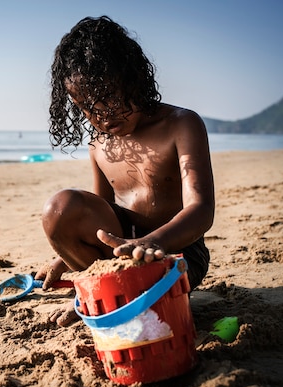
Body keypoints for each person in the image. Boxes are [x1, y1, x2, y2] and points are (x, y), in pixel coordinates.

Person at [37, 16, 215, 326]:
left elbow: (201, 209)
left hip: (176, 254)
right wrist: (66, 257)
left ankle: (103, 299)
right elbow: (96, 216)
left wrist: (154, 242)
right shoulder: (98, 144)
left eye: (109, 97)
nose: (102, 115)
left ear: (132, 79)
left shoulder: (180, 125)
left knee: (152, 264)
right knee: (60, 208)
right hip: (118, 256)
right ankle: (101, 293)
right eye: (87, 107)